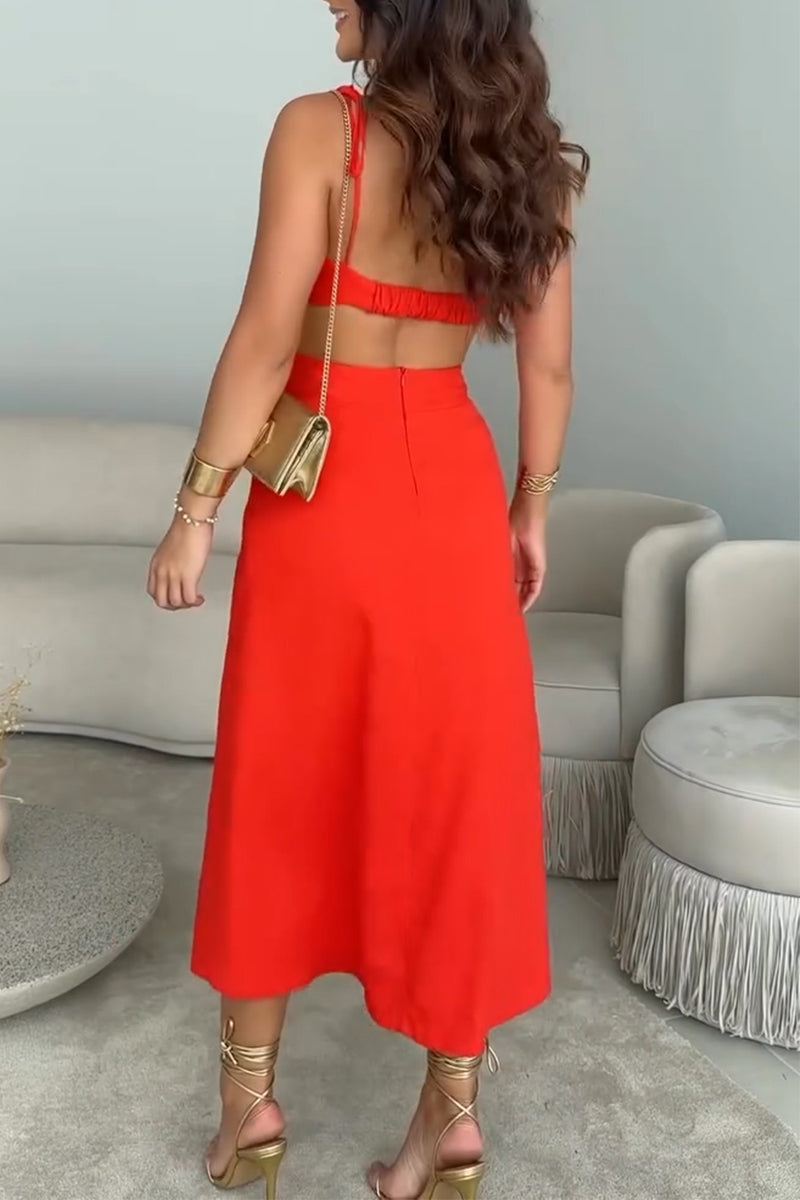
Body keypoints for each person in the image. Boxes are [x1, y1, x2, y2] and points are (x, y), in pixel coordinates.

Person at [147, 1, 587, 1196]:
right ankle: (449, 1121)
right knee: (452, 796)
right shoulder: (535, 164)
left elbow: (263, 337)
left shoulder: (318, 131)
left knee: (278, 780)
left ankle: (249, 1108)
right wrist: (530, 509)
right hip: (449, 494)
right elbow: (547, 366)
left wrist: (196, 506)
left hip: (323, 500)